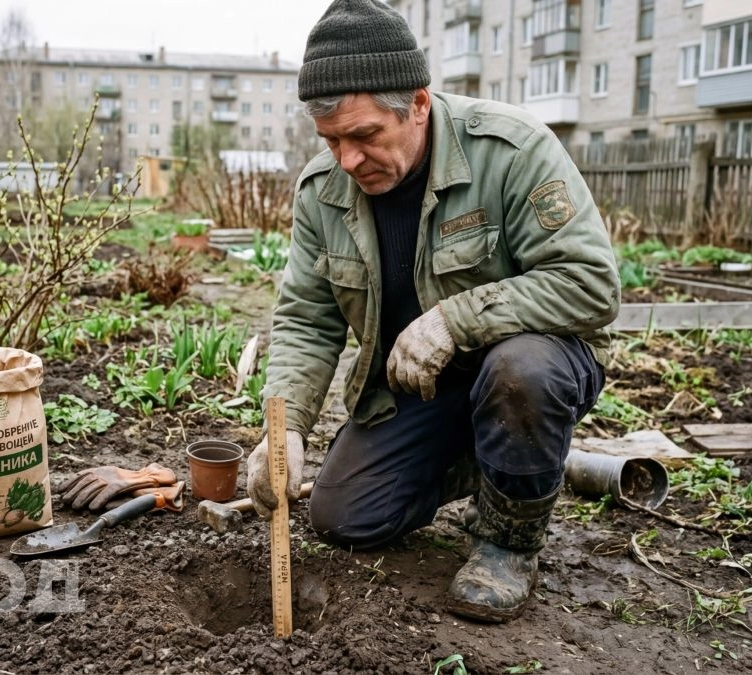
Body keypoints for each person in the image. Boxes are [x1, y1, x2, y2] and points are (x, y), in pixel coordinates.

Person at [244, 0, 620, 624]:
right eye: (331, 140)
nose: (348, 160)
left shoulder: (510, 151)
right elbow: (308, 320)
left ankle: (508, 540)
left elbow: (591, 285)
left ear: (417, 104)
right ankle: (494, 459)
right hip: (421, 388)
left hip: (531, 367)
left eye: (364, 136)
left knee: (519, 370)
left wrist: (455, 320)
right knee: (344, 518)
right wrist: (286, 428)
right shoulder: (322, 192)